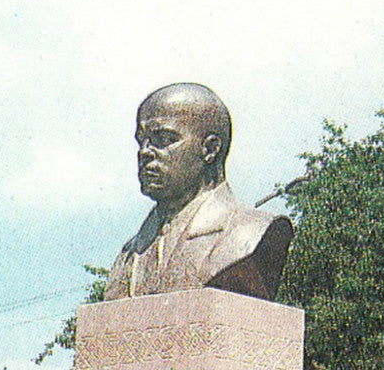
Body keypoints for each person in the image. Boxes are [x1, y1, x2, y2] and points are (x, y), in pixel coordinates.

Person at [103, 82, 293, 302]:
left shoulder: (251, 231)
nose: (145, 152)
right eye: (142, 141)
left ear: (210, 149)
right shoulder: (128, 255)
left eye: (163, 140)